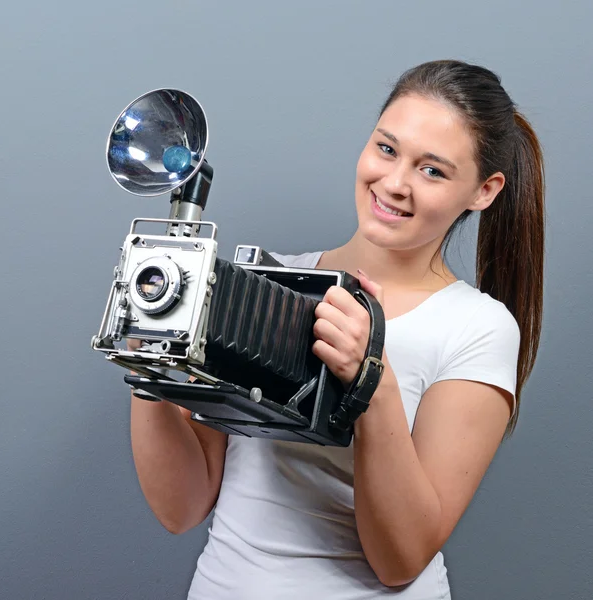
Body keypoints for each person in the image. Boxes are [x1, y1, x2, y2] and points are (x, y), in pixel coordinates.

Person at [129, 59, 545, 599]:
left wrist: (373, 379)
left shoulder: (479, 328)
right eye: (387, 149)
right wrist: (150, 368)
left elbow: (400, 560)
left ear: (483, 192)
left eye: (433, 170)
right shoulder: (266, 287)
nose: (394, 184)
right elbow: (180, 508)